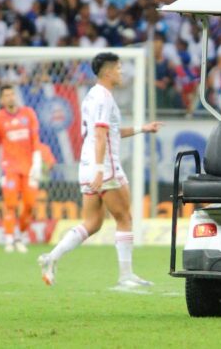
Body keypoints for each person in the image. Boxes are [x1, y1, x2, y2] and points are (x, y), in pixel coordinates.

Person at [38, 53, 162, 288]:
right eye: (118, 68)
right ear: (107, 72)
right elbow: (100, 134)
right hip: (104, 166)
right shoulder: (103, 98)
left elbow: (110, 131)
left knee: (93, 222)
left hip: (87, 165)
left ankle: (51, 258)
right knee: (124, 217)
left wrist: (143, 128)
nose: (121, 72)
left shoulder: (92, 96)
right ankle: (126, 275)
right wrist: (99, 170)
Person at [0, 86, 42, 253]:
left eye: (12, 94)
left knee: (30, 205)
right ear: (1, 100)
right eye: (6, 95)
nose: (10, 98)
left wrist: (37, 163)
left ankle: (21, 235)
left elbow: (35, 140)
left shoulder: (29, 114)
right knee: (10, 204)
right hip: (10, 168)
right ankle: (9, 239)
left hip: (28, 168)